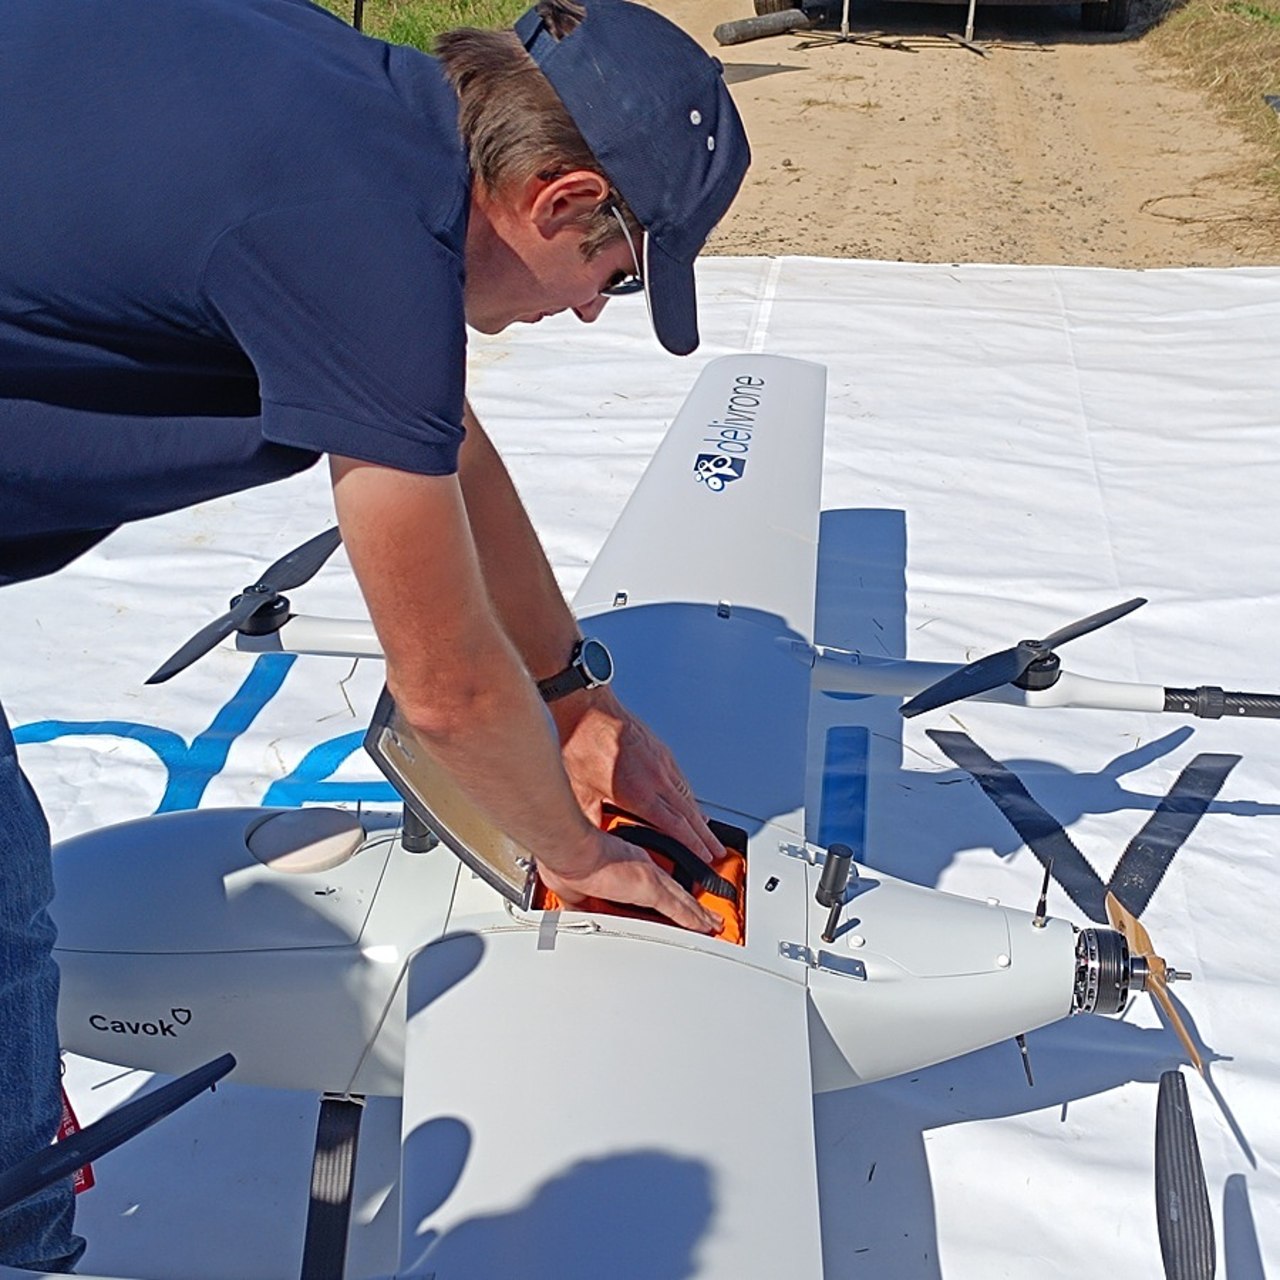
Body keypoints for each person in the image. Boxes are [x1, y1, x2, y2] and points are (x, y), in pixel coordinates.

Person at [0, 0, 749, 1266]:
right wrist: (577, 853)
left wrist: (571, 694)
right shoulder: (361, 246)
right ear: (562, 200)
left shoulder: (360, 111)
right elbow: (445, 691)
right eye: (618, 277)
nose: (591, 313)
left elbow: (436, 430)